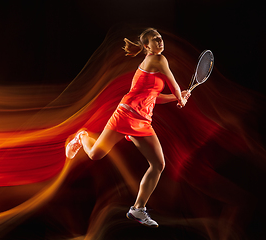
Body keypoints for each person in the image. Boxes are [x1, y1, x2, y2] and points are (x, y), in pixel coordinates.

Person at [65, 28, 190, 228]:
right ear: (147, 46)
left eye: (160, 38)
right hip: (128, 114)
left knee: (156, 164)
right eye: (155, 40)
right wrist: (179, 95)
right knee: (98, 155)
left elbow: (153, 97)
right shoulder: (159, 60)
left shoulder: (150, 65)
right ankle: (82, 137)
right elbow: (173, 84)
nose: (160, 41)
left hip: (141, 118)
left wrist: (178, 96)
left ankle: (137, 209)